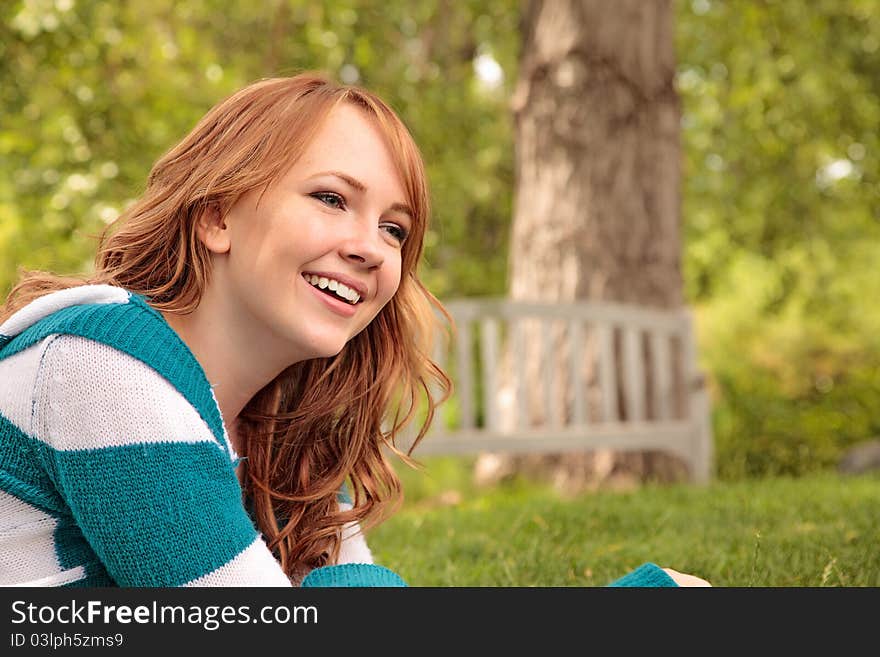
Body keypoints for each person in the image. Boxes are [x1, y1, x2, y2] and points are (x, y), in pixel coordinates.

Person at [0, 72, 708, 588]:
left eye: (394, 228)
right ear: (216, 215)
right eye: (331, 197)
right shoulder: (97, 363)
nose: (371, 247)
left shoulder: (284, 430)